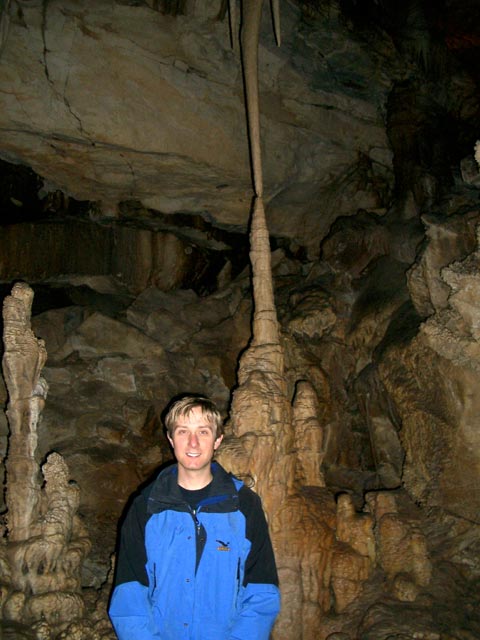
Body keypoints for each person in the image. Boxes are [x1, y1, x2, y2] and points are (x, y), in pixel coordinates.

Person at [108, 395, 280, 639]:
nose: (193, 443)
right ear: (170, 439)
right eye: (182, 432)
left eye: (203, 432)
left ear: (217, 440)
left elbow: (262, 590)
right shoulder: (146, 507)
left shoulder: (244, 506)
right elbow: (129, 593)